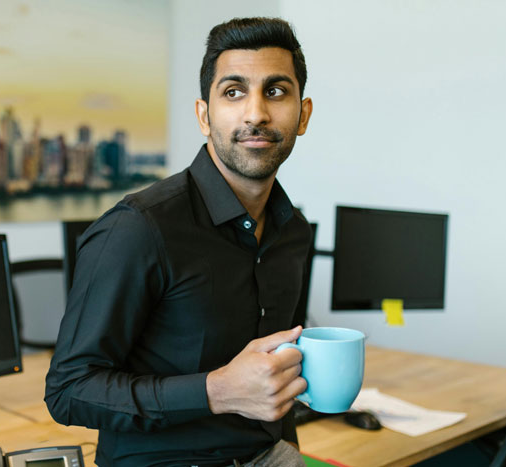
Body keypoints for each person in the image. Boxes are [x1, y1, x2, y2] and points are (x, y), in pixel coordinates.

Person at [45, 17, 314, 467]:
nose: (256, 113)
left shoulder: (293, 232)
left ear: (302, 115)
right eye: (233, 92)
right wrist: (216, 391)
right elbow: (68, 390)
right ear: (204, 116)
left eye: (275, 91)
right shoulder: (138, 228)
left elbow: (274, 370)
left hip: (267, 454)